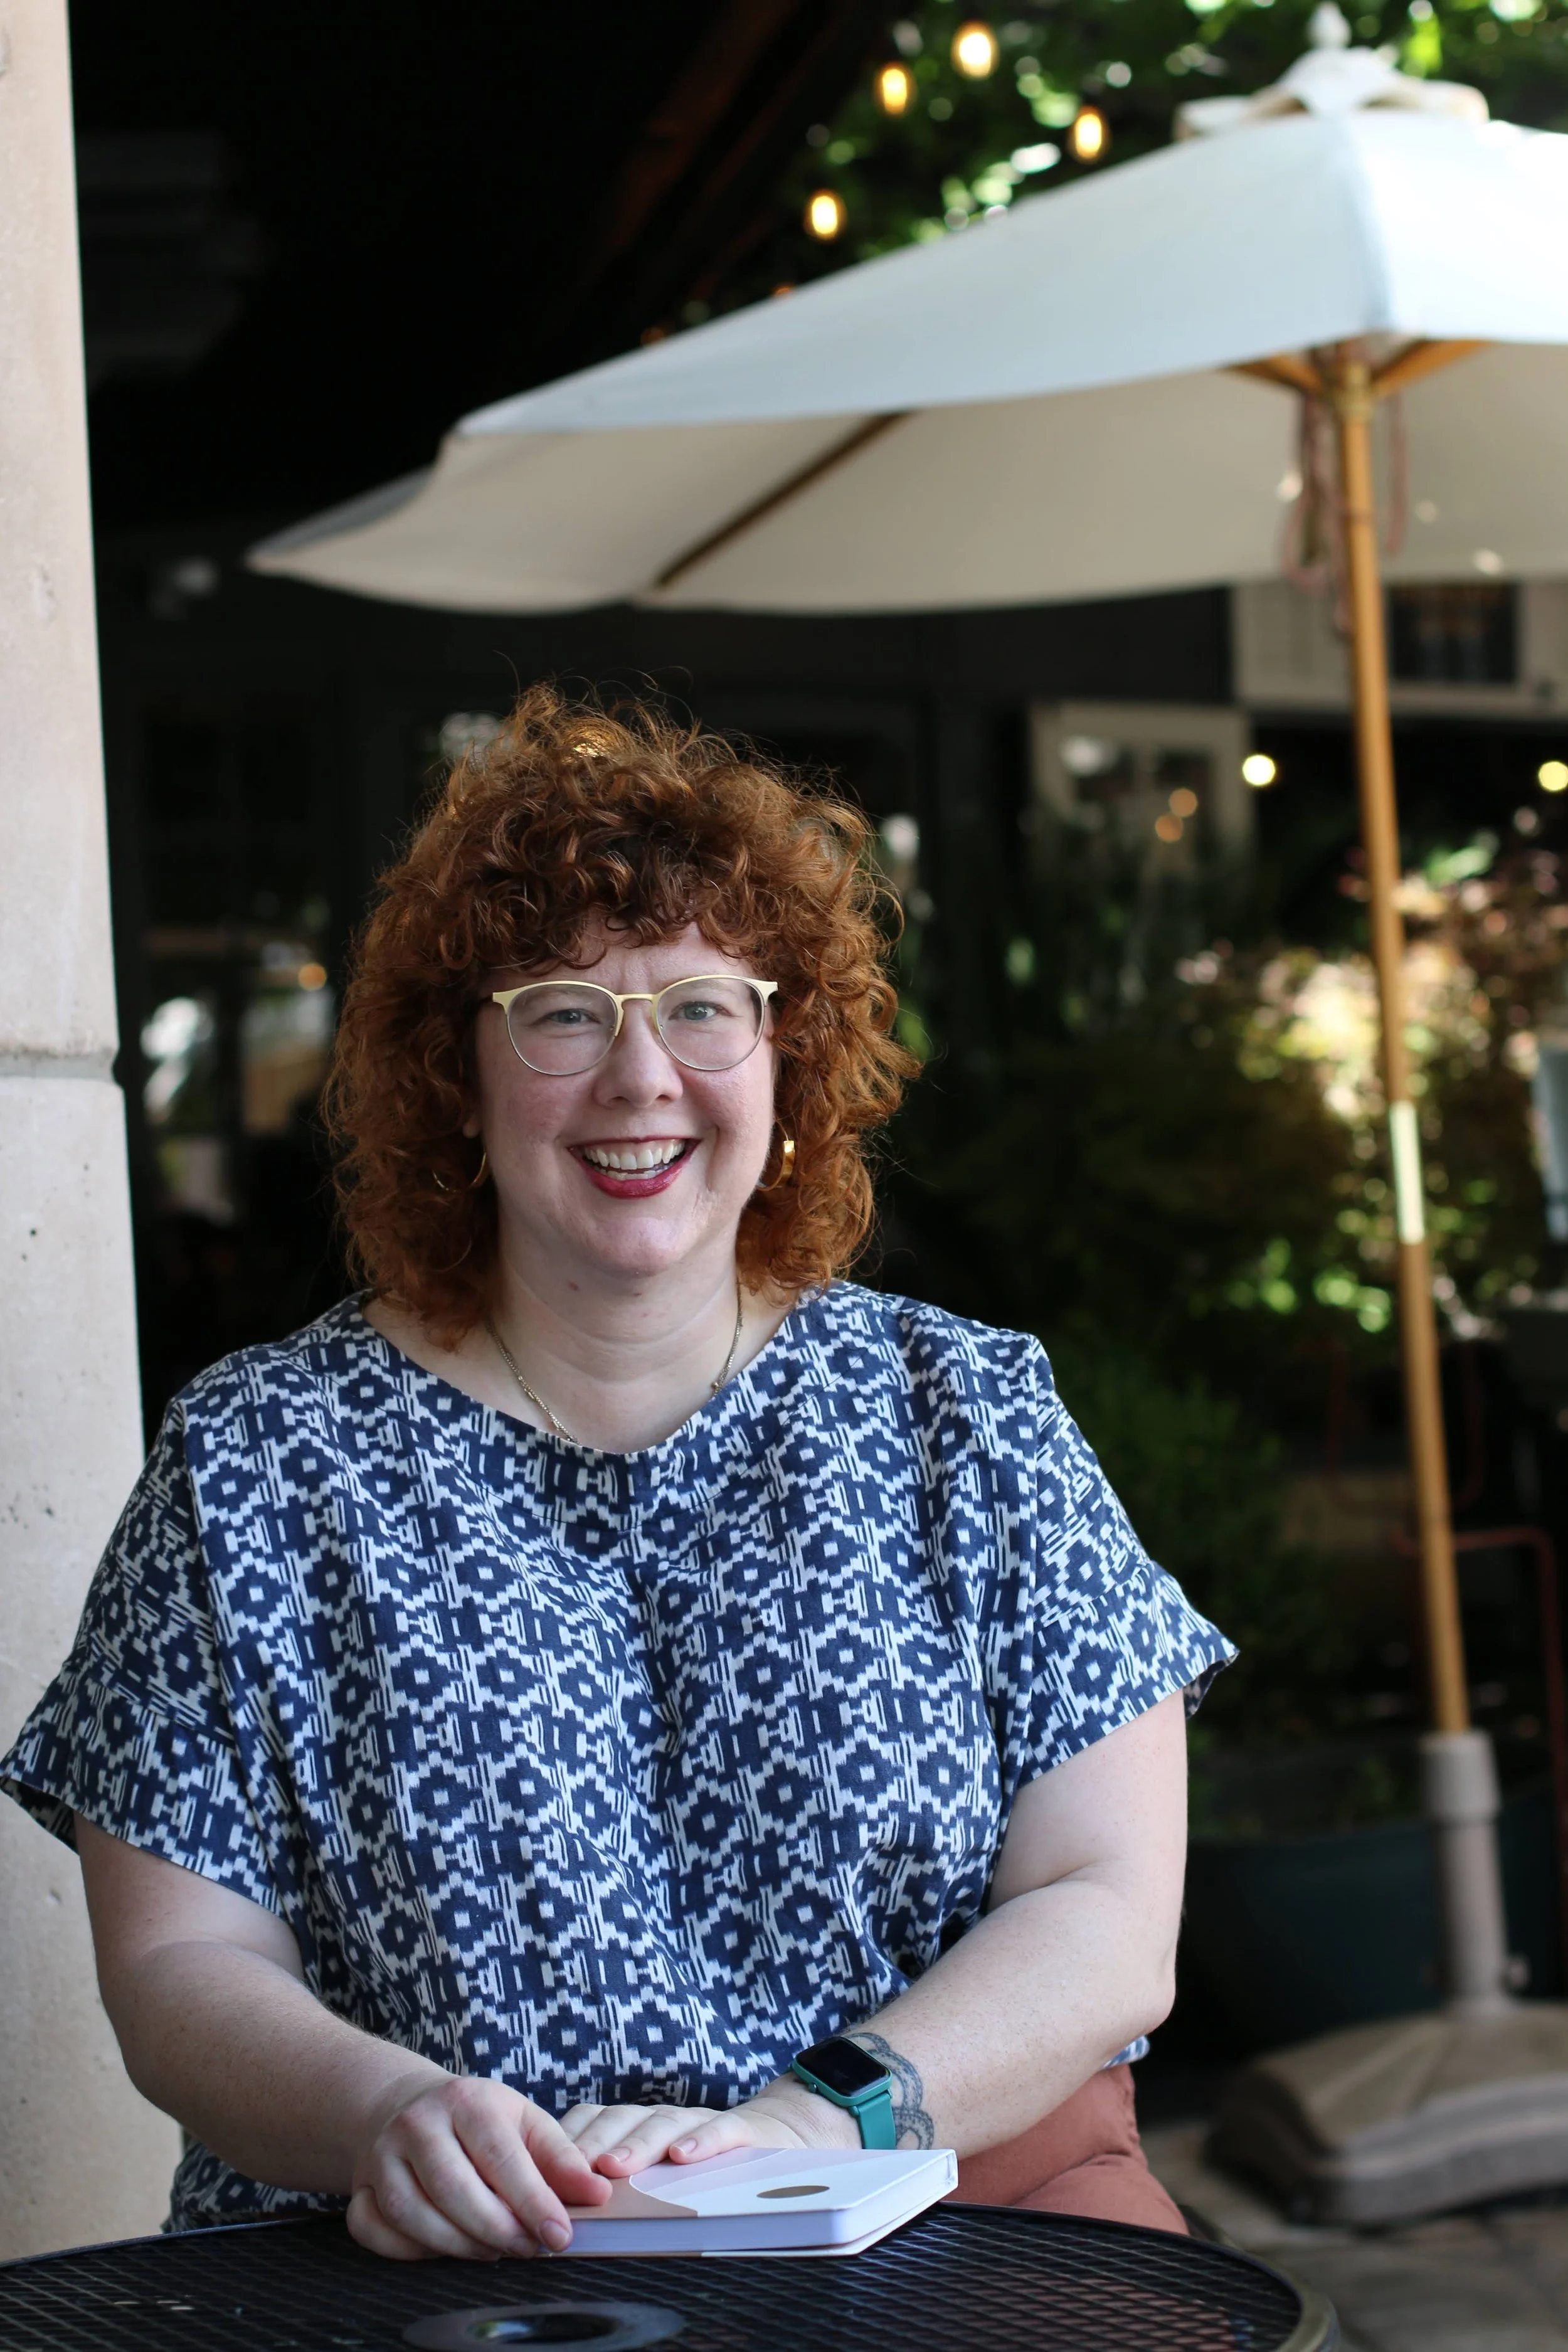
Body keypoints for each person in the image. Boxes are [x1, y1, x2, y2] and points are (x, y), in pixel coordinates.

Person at [1, 688, 1231, 2260]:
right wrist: (391, 2116)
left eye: (702, 1007)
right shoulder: (256, 1462)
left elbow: (1109, 1916)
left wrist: (806, 2122)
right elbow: (178, 1971)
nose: (639, 1078)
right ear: (459, 1075)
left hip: (938, 2224)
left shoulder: (967, 1416)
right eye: (561, 1013)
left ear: (786, 1055)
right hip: (425, 2264)